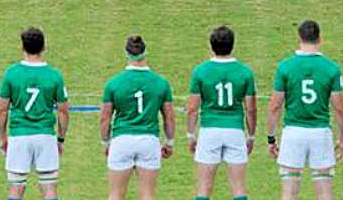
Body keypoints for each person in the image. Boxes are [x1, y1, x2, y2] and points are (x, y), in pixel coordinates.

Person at [267, 20, 343, 200]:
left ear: (299, 37)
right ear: (320, 38)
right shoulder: (332, 68)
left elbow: (275, 106)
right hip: (320, 132)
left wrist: (271, 138)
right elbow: (339, 108)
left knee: (289, 192)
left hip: (293, 132)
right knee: (325, 192)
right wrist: (341, 138)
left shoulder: (285, 67)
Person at [0, 27, 70, 200]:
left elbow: (2, 110)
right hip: (45, 136)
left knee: (16, 189)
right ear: (44, 47)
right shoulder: (54, 75)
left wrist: (3, 137)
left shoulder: (11, 73)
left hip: (19, 136)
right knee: (49, 188)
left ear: (22, 48)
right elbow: (63, 111)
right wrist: (60, 139)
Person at [101, 36, 176, 200]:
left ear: (126, 54)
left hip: (122, 141)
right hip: (149, 141)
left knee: (115, 195)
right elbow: (169, 117)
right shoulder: (161, 83)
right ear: (145, 52)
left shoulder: (113, 84)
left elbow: (105, 118)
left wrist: (106, 142)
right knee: (148, 195)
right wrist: (169, 142)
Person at [187, 26, 256, 200]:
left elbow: (193, 108)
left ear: (211, 46)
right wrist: (251, 135)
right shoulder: (245, 72)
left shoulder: (201, 71)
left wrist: (191, 134)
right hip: (235, 130)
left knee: (204, 188)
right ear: (233, 45)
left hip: (209, 130)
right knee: (239, 188)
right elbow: (251, 109)